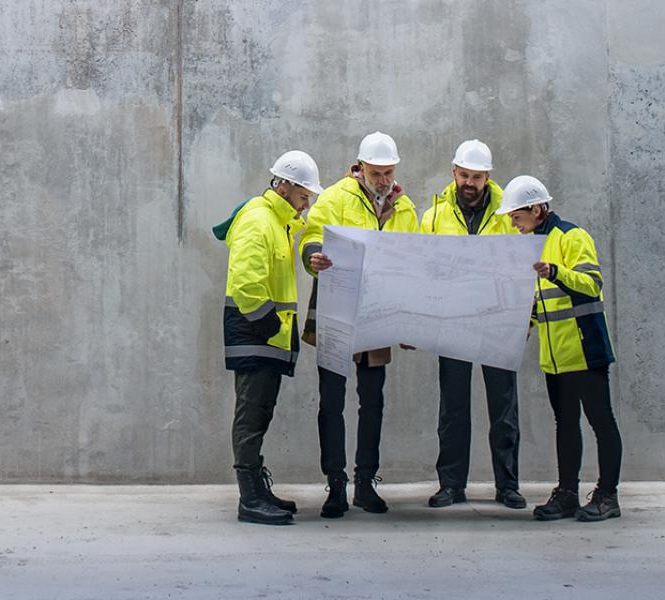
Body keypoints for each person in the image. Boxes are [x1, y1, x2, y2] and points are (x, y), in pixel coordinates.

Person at [299, 132, 420, 518]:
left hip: (378, 312)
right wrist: (313, 256)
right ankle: (336, 485)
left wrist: (407, 320)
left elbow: (412, 262)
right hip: (336, 308)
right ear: (360, 167)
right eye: (377, 172)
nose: (383, 179)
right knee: (331, 402)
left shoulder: (405, 208)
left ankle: (365, 484)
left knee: (373, 403)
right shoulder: (334, 197)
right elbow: (312, 235)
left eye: (388, 172)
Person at [497, 175, 623, 523]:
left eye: (517, 216)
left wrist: (555, 271)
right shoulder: (532, 243)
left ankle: (607, 495)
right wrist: (525, 323)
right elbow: (544, 302)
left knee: (601, 421)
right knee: (565, 424)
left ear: (537, 209)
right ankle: (567, 493)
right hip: (554, 356)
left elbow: (591, 284)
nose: (513, 223)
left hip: (585, 347)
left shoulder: (571, 236)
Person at [213, 150, 325, 525]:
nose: (307, 202)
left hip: (266, 336)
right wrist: (269, 326)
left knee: (260, 412)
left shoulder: (278, 222)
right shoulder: (259, 220)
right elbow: (246, 284)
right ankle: (249, 499)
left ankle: (258, 489)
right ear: (286, 186)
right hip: (256, 334)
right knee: (250, 414)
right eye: (304, 194)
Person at [420, 140, 525, 510]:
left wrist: (524, 315)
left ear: (488, 177)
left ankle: (507, 485)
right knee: (453, 408)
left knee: (504, 407)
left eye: (477, 177)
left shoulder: (510, 212)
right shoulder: (432, 216)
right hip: (453, 322)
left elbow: (525, 265)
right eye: (464, 175)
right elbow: (423, 271)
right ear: (454, 173)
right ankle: (451, 485)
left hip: (498, 322)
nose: (469, 182)